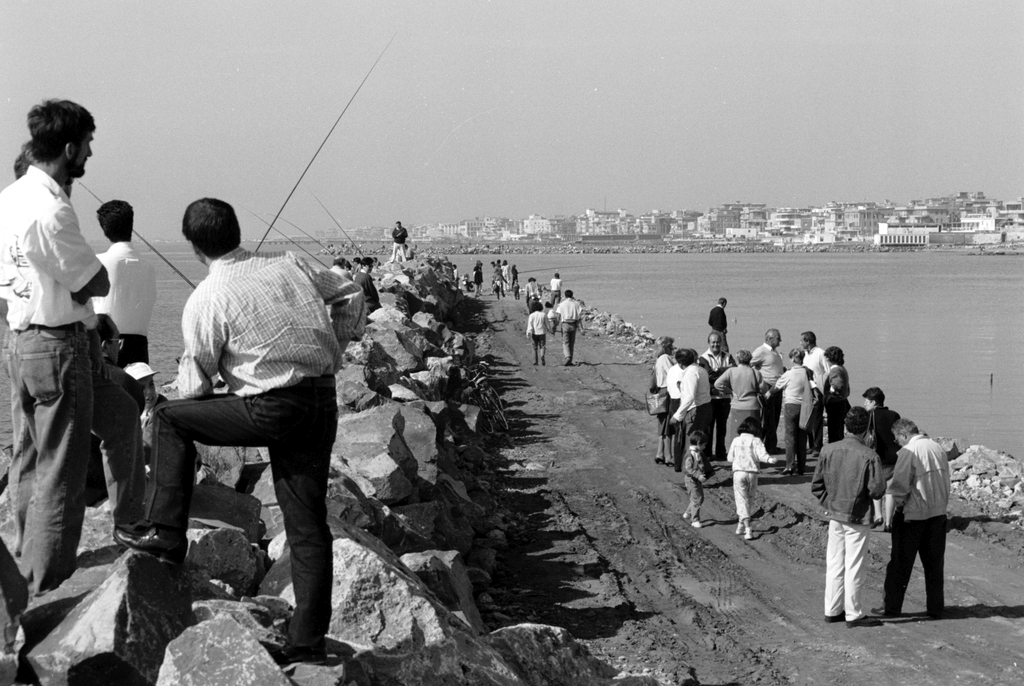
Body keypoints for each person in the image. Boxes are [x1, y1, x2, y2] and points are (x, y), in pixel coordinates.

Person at [114, 198, 365, 666]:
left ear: (193, 248)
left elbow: (194, 385)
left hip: (271, 408)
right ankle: (307, 642)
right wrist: (338, 346)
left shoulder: (207, 298)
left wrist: (163, 396)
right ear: (235, 231)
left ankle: (166, 533)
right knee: (307, 525)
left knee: (171, 417)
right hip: (320, 400)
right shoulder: (290, 264)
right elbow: (351, 290)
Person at [0, 99, 118, 595]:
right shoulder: (51, 210)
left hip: (20, 341)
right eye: (87, 144)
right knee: (61, 472)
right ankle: (47, 586)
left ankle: (22, 569)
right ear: (69, 147)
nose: (90, 152)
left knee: (27, 460)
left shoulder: (10, 196)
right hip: (55, 346)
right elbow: (93, 280)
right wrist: (83, 283)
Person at [810, 406, 886, 628]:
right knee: (854, 565)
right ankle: (854, 613)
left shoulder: (828, 449)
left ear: (846, 426)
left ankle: (832, 610)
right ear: (866, 431)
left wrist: (830, 502)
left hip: (836, 514)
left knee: (834, 563)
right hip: (858, 515)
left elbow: (817, 486)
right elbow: (877, 490)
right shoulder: (870, 455)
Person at [877, 419, 950, 620]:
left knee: (900, 564)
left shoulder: (909, 452)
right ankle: (936, 608)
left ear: (904, 435)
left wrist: (891, 514)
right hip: (938, 513)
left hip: (913, 515)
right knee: (934, 565)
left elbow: (899, 486)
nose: (896, 442)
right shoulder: (937, 448)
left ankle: (891, 608)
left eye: (896, 438)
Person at [92, 200, 157, 367]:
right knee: (136, 392)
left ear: (105, 230)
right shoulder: (149, 267)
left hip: (107, 345)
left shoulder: (98, 263)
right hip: (140, 346)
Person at [727, 416, 777, 540]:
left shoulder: (736, 440)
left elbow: (729, 458)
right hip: (752, 474)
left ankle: (747, 528)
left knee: (741, 500)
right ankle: (741, 525)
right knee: (749, 500)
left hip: (739, 473)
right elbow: (762, 455)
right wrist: (770, 460)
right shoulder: (757, 441)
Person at [767, 348, 813, 475]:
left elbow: (776, 387)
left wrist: (767, 393)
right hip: (804, 406)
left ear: (792, 359)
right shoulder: (808, 372)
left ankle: (790, 465)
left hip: (791, 406)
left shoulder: (789, 374)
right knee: (802, 437)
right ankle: (801, 467)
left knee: (790, 437)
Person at [668, 348, 713, 477]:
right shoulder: (701, 370)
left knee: (691, 445)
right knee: (697, 442)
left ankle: (693, 476)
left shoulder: (690, 374)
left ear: (681, 364)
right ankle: (707, 469)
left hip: (696, 410)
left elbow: (689, 397)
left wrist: (677, 416)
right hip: (705, 407)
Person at [862, 387, 901, 527]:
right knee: (890, 491)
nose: (865, 404)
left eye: (866, 401)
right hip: (893, 458)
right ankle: (889, 522)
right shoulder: (894, 415)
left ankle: (878, 516)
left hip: (876, 457)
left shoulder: (868, 416)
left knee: (875, 488)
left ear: (873, 402)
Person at [714, 349, 762, 453]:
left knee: (737, 434)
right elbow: (764, 388)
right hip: (753, 406)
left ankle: (737, 457)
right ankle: (753, 456)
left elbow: (717, 384)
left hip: (737, 405)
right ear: (749, 359)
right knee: (753, 435)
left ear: (738, 359)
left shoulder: (731, 371)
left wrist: (730, 391)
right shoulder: (755, 372)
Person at [699, 331, 735, 461]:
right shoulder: (703, 358)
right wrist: (725, 370)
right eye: (713, 342)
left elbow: (734, 371)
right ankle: (707, 453)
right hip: (710, 398)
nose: (716, 344)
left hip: (725, 398)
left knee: (722, 427)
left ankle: (720, 452)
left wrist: (717, 372)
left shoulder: (728, 356)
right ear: (709, 343)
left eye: (718, 342)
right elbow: (708, 375)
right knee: (709, 427)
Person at [751, 328, 784, 453]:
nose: (780, 341)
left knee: (774, 417)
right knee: (768, 417)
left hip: (777, 387)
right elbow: (747, 364)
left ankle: (771, 444)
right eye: (778, 338)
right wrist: (758, 382)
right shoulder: (760, 351)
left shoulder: (774, 351)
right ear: (770, 339)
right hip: (768, 387)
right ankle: (768, 446)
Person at [801, 331, 829, 456]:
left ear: (808, 341)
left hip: (818, 390)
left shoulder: (820, 353)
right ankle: (811, 444)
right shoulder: (805, 355)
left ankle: (818, 445)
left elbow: (827, 372)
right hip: (807, 389)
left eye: (802, 341)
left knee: (817, 418)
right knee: (808, 416)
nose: (800, 343)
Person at [651, 336, 675, 465]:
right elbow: (673, 373)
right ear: (666, 347)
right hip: (667, 392)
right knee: (668, 426)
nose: (673, 349)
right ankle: (668, 456)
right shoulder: (665, 359)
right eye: (671, 347)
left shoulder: (658, 360)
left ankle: (660, 453)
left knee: (662, 424)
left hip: (660, 391)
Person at [823, 346, 850, 444]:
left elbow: (837, 384)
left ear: (829, 358)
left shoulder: (834, 370)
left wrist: (830, 393)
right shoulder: (841, 368)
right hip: (842, 402)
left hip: (835, 404)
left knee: (834, 431)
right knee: (838, 430)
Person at [682, 431, 708, 528]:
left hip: (695, 480)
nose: (704, 447)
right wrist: (698, 475)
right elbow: (688, 469)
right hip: (691, 480)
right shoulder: (690, 454)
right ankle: (695, 520)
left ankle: (688, 513)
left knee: (698, 498)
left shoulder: (696, 453)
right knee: (697, 499)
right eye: (704, 445)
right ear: (698, 443)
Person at [555, 289, 584, 366]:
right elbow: (579, 318)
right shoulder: (577, 304)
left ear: (565, 295)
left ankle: (567, 356)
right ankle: (570, 360)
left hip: (565, 324)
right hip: (573, 325)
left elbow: (558, 317)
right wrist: (581, 329)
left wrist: (554, 326)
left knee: (565, 342)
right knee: (572, 343)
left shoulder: (561, 304)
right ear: (572, 295)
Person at [525, 300, 547, 366]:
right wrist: (551, 330)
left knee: (534, 348)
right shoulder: (544, 315)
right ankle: (542, 355)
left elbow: (530, 325)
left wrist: (528, 332)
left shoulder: (531, 315)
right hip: (542, 332)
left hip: (534, 333)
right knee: (542, 346)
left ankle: (535, 362)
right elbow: (547, 324)